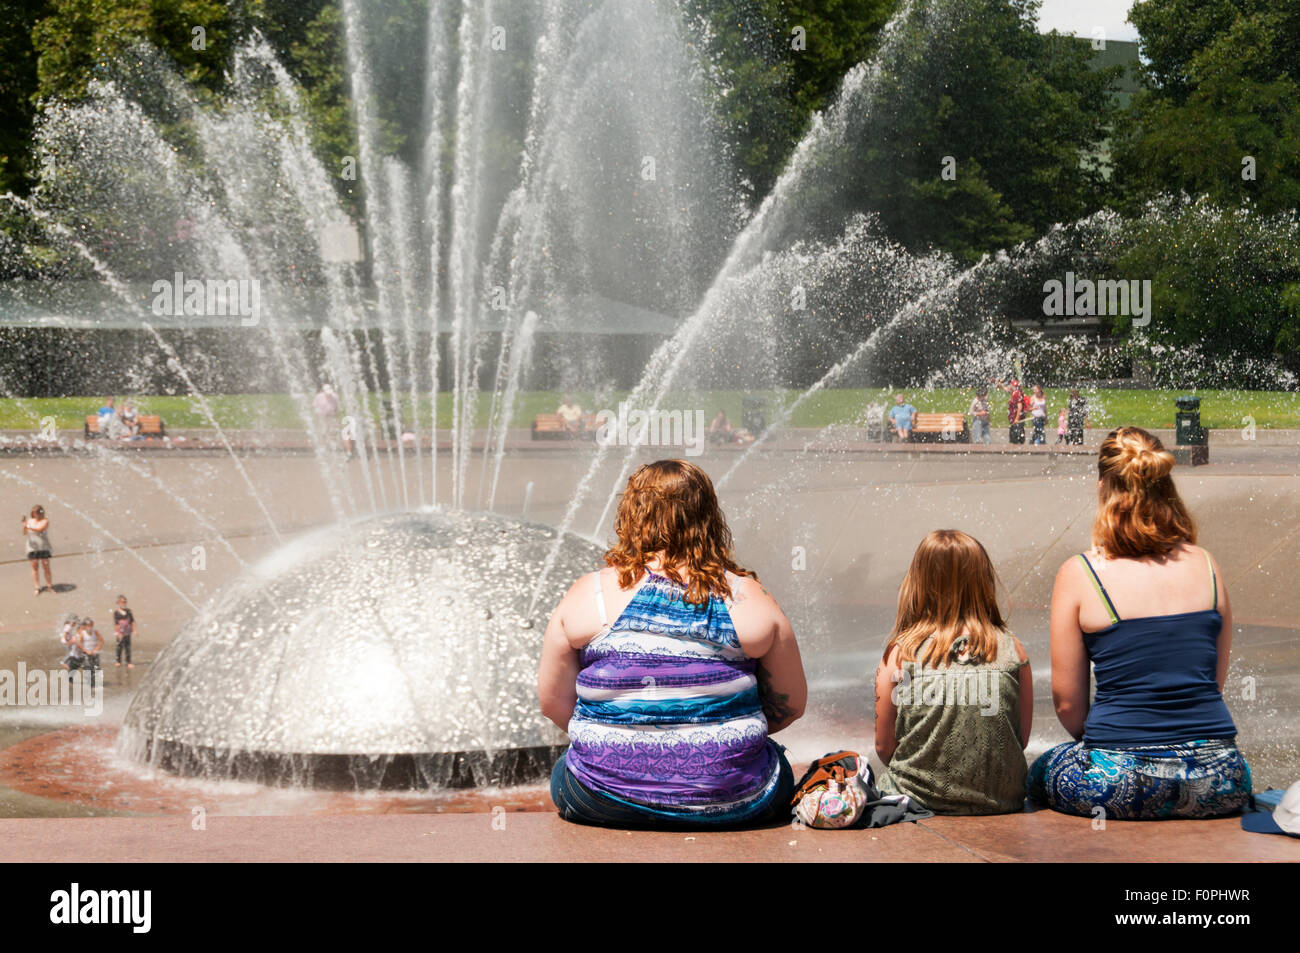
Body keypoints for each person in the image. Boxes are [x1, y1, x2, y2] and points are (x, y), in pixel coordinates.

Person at [539, 459, 807, 828]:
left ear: (631, 515)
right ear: (709, 516)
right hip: (734, 798)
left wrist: (624, 740)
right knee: (773, 758)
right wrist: (713, 748)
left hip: (601, 797)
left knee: (565, 769)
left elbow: (553, 703)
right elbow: (791, 704)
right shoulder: (748, 597)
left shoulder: (589, 593)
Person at [1028, 427, 1251, 820]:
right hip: (1222, 780)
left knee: (1041, 770)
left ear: (1103, 487)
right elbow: (1212, 683)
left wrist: (1114, 746)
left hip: (1120, 782)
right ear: (1167, 486)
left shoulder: (1081, 573)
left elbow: (1068, 705)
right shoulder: (1207, 565)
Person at [874, 530, 1033, 815]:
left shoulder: (901, 654)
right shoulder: (1013, 650)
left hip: (916, 799)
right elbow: (1019, 738)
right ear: (984, 581)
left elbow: (885, 747)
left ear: (917, 582)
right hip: (1001, 802)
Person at [22, 505, 53, 596]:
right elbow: (24, 532)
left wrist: (27, 525)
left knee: (46, 567)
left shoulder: (45, 521)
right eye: (34, 512)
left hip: (43, 546)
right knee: (35, 568)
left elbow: (39, 529)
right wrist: (25, 526)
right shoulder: (30, 521)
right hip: (32, 548)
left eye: (38, 512)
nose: (36, 514)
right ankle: (37, 587)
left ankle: (49, 586)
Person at [997, 379, 1029, 444]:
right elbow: (1006, 389)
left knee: (1016, 436)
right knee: (1015, 435)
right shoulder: (1014, 392)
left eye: (1010, 385)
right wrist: (1000, 385)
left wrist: (1017, 419)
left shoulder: (1017, 394)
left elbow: (1020, 407)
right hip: (1014, 419)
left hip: (1016, 420)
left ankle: (1018, 448)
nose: (1009, 386)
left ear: (1013, 386)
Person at [77, 619, 103, 690]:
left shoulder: (95, 632)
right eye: (88, 626)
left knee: (96, 667)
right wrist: (85, 651)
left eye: (91, 626)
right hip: (86, 653)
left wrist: (96, 649)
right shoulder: (83, 633)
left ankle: (95, 683)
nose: (90, 627)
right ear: (85, 626)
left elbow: (101, 641)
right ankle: (89, 684)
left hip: (94, 653)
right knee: (87, 667)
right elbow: (79, 644)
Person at [113, 595, 136, 669]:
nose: (124, 603)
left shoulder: (128, 611)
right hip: (120, 632)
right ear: (118, 602)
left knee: (128, 647)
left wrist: (135, 630)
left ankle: (128, 662)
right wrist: (118, 632)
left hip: (127, 632)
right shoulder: (116, 612)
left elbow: (132, 621)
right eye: (122, 602)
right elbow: (116, 623)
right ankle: (118, 661)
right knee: (119, 647)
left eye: (125, 602)